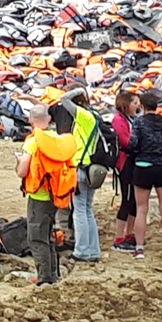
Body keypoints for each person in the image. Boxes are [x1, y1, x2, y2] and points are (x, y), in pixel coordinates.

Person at [16, 104, 61, 285]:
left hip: (39, 195)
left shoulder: (33, 141)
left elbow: (22, 171)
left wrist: (19, 161)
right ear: (49, 119)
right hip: (57, 193)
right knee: (49, 234)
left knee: (36, 237)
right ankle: (54, 274)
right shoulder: (57, 138)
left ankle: (45, 279)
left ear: (30, 121)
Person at [128, 92, 162, 260]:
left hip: (143, 166)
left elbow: (133, 144)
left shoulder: (139, 122)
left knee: (141, 208)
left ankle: (139, 248)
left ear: (142, 106)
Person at [61, 86, 100, 262]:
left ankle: (82, 250)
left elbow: (64, 99)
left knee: (80, 211)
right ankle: (93, 250)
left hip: (80, 167)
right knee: (88, 209)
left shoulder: (83, 115)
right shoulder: (94, 115)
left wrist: (76, 90)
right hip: (91, 167)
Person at [111, 92, 140, 252]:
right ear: (126, 104)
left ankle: (129, 234)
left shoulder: (131, 120)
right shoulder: (119, 120)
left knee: (134, 200)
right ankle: (118, 237)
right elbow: (125, 141)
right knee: (127, 198)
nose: (137, 106)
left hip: (134, 162)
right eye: (135, 102)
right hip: (125, 162)